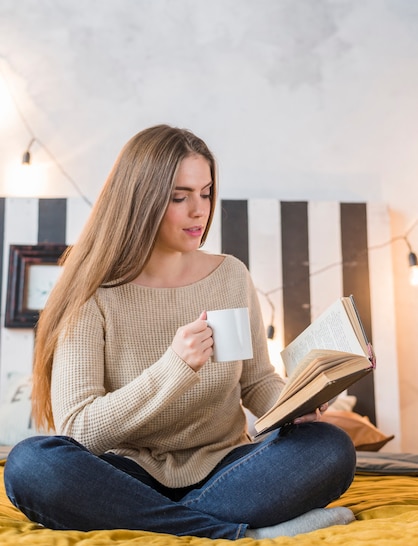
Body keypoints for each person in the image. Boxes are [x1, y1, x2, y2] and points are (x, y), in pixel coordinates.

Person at [4, 124, 356, 540]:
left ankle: (173, 523)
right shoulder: (92, 293)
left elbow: (256, 381)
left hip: (227, 468)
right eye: (180, 197)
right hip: (126, 475)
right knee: (32, 464)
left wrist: (295, 401)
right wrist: (174, 367)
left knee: (330, 447)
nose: (199, 210)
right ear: (141, 201)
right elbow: (80, 429)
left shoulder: (228, 277)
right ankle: (240, 534)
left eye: (206, 192)